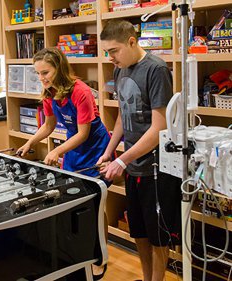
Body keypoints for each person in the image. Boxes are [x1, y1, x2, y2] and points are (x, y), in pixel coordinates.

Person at [97, 19, 181, 281]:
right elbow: (123, 116)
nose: (110, 58)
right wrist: (109, 151)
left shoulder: (156, 69)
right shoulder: (120, 70)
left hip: (156, 168)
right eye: (107, 52)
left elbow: (159, 127)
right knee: (140, 234)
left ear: (132, 42)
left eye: (113, 51)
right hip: (132, 163)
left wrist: (121, 161)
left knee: (157, 237)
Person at [17, 47, 111, 179]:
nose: (40, 78)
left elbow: (83, 134)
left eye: (45, 73)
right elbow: (49, 125)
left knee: (94, 188)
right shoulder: (49, 93)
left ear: (59, 69)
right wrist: (30, 143)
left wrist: (57, 151)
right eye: (37, 73)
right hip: (73, 145)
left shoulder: (80, 92)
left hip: (95, 146)